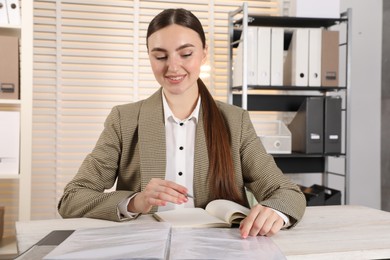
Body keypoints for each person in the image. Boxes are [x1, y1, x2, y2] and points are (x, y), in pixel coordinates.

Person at [58, 8, 306, 238]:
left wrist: (275, 212)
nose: (173, 67)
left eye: (186, 54)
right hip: (145, 245)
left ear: (204, 54)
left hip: (219, 248)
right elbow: (73, 197)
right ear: (149, 57)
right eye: (160, 56)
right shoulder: (124, 119)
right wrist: (136, 201)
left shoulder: (235, 121)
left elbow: (286, 193)